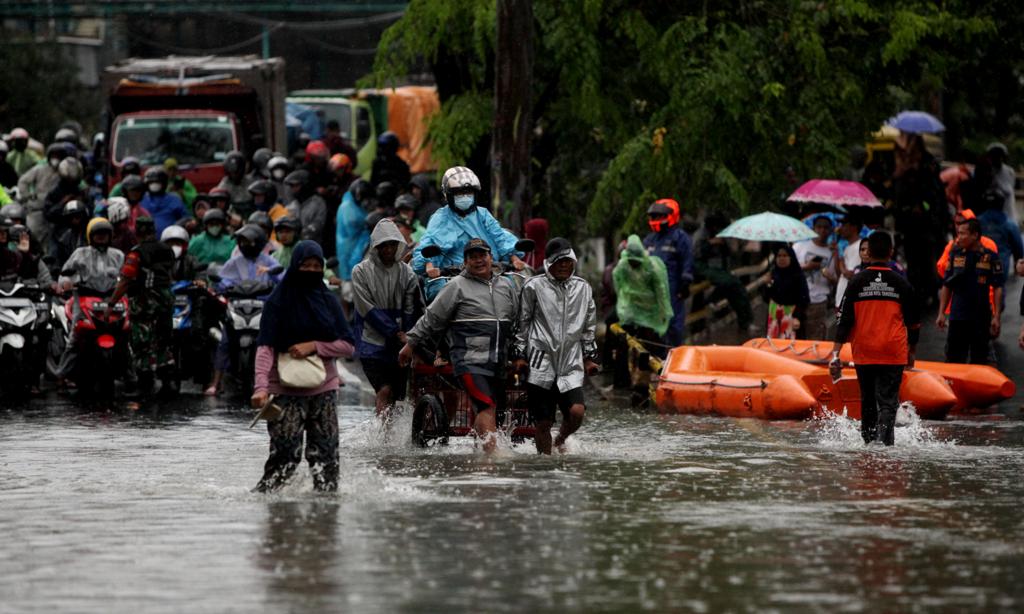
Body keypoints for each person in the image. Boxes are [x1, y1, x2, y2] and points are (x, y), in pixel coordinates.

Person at [250, 240, 355, 493]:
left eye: (316, 266)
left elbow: (349, 346)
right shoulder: (278, 302)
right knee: (284, 458)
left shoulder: (328, 302)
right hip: (284, 392)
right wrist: (260, 387)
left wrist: (315, 346)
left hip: (324, 390)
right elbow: (265, 347)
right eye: (304, 265)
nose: (310, 270)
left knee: (327, 460)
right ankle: (271, 515)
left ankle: (324, 521)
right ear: (295, 266)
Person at [398, 238, 519, 453]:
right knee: (486, 406)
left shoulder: (506, 286)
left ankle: (480, 461)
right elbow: (432, 317)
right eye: (473, 257)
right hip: (468, 359)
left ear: (491, 258)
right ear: (465, 262)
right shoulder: (456, 286)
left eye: (482, 255)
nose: (478, 260)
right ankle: (494, 460)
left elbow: (519, 321)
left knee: (494, 410)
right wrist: (410, 344)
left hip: (499, 360)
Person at [832, 231, 919, 446]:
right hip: (893, 351)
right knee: (888, 402)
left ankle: (869, 443)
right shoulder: (901, 283)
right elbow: (914, 323)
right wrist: (912, 350)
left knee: (868, 399)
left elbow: (844, 321)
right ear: (891, 252)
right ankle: (884, 442)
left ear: (868, 252)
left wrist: (835, 354)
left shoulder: (856, 283)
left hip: (865, 351)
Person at [513, 238, 598, 454]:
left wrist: (589, 357)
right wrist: (519, 355)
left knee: (577, 412)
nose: (563, 265)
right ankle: (545, 467)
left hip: (570, 363)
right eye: (558, 261)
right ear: (549, 263)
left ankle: (560, 439)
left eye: (568, 261)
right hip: (540, 364)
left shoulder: (583, 288)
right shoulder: (533, 286)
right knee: (542, 423)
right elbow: (522, 324)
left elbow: (589, 327)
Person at [410, 166, 524, 293]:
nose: (464, 197)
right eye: (459, 193)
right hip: (454, 278)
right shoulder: (440, 218)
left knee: (515, 291)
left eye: (469, 192)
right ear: (448, 195)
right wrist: (429, 265)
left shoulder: (483, 214)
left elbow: (501, 237)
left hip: (490, 274)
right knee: (438, 292)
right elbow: (429, 244)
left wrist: (514, 258)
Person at [352, 219, 418, 417]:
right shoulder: (361, 272)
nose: (388, 249)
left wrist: (407, 335)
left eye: (392, 244)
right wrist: (394, 332)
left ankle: (393, 434)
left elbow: (410, 307)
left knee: (399, 395)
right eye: (383, 245)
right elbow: (367, 308)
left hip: (399, 342)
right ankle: (383, 435)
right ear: (376, 247)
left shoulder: (407, 273)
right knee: (384, 389)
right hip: (371, 341)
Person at [205, 224, 283, 395]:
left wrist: (272, 278)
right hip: (237, 306)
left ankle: (275, 379)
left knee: (274, 341)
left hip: (263, 307)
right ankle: (216, 382)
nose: (244, 245)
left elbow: (280, 277)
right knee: (225, 340)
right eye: (241, 241)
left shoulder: (268, 262)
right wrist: (225, 285)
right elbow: (222, 280)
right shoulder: (234, 262)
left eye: (248, 241)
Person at [106, 217, 176, 394]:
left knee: (141, 343)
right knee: (163, 342)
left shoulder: (136, 253)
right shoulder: (167, 250)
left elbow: (125, 281)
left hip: (144, 302)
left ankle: (145, 386)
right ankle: (169, 384)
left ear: (137, 232)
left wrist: (111, 303)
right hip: (165, 301)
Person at [55, 218, 125, 385]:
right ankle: (61, 375)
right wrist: (65, 282)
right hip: (85, 297)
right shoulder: (80, 254)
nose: (101, 238)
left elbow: (126, 276)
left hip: (111, 299)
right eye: (97, 235)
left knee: (124, 335)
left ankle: (131, 377)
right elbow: (65, 273)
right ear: (90, 236)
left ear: (111, 236)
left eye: (105, 234)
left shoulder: (118, 255)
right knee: (75, 337)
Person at [937, 218, 1004, 364]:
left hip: (981, 318)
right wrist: (941, 313)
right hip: (958, 317)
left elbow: (998, 286)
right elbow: (947, 285)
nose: (958, 238)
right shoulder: (955, 254)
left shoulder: (991, 257)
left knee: (980, 360)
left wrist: (997, 316)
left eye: (962, 234)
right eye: (957, 234)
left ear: (975, 235)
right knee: (954, 359)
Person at [643, 198, 694, 347]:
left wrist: (685, 283)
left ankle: (674, 357)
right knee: (653, 328)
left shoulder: (680, 238)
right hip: (652, 291)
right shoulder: (650, 239)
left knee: (673, 327)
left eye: (658, 216)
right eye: (653, 217)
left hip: (673, 290)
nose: (655, 220)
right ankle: (657, 361)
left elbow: (687, 261)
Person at [693, 212, 755, 334]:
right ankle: (709, 302)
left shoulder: (722, 234)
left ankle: (745, 321)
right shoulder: (701, 235)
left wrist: (726, 244)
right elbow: (695, 254)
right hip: (704, 268)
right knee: (731, 283)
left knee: (737, 290)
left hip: (720, 269)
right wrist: (710, 243)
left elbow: (732, 253)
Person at [612, 234, 673, 355]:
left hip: (650, 310)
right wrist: (623, 301)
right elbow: (618, 283)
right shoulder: (623, 266)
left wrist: (663, 311)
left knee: (653, 339)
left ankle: (658, 364)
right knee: (626, 339)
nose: (633, 264)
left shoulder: (651, 268)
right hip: (631, 308)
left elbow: (661, 291)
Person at [18, 143, 70, 248]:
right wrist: (28, 196)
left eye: (58, 157)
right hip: (37, 210)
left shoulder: (64, 172)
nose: (55, 159)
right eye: (53, 156)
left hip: (55, 212)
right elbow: (23, 181)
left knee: (52, 242)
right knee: (33, 237)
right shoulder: (40, 169)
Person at [792, 215, 836, 339]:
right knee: (795, 337)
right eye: (819, 227)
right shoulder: (799, 247)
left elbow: (836, 280)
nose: (822, 230)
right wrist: (807, 267)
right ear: (813, 228)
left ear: (831, 230)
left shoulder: (832, 253)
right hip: (797, 300)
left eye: (826, 227)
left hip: (819, 301)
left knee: (815, 338)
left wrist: (830, 277)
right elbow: (789, 270)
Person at [336, 179, 373, 296]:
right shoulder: (349, 208)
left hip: (350, 249)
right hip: (350, 249)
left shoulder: (349, 203)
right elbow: (355, 221)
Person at [764, 245, 810, 339]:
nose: (781, 258)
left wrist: (798, 317)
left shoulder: (798, 275)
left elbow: (804, 299)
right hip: (774, 319)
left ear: (791, 257)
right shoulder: (773, 273)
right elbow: (766, 298)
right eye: (779, 256)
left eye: (785, 256)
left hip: (792, 317)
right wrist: (768, 284)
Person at [284, 169, 327, 247]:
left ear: (305, 185)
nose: (293, 189)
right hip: (293, 249)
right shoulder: (291, 206)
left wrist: (298, 234)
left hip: (313, 247)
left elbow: (318, 225)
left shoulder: (318, 203)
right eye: (291, 186)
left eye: (296, 186)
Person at [141, 167, 189, 236]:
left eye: (157, 182)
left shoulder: (174, 199)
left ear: (164, 183)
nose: (155, 185)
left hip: (170, 240)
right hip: (145, 241)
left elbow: (186, 217)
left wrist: (176, 226)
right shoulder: (141, 199)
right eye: (152, 183)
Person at [833, 215, 864, 309]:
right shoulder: (847, 248)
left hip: (850, 302)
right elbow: (839, 274)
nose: (840, 228)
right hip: (841, 300)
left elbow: (850, 275)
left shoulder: (860, 247)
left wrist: (841, 262)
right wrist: (836, 252)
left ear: (853, 227)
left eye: (843, 225)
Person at [985, 143, 1018, 230]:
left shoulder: (1009, 171)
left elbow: (1008, 190)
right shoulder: (987, 171)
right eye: (994, 156)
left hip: (1006, 207)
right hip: (991, 208)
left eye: (999, 156)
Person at [52, 200, 89, 271]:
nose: (74, 221)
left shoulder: (92, 232)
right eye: (70, 218)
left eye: (77, 217)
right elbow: (60, 261)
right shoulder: (64, 239)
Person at [218, 151, 253, 217]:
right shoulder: (223, 186)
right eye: (231, 172)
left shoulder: (251, 182)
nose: (234, 175)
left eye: (236, 172)